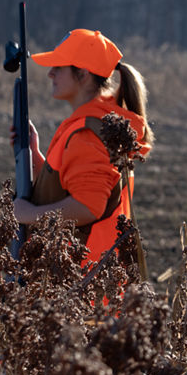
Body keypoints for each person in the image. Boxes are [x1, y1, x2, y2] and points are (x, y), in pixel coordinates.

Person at [10, 28, 153, 266]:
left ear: (83, 74)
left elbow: (87, 207)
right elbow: (73, 186)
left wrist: (28, 215)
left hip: (83, 278)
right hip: (84, 275)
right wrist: (34, 156)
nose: (51, 74)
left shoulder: (88, 132)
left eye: (59, 66)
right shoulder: (94, 124)